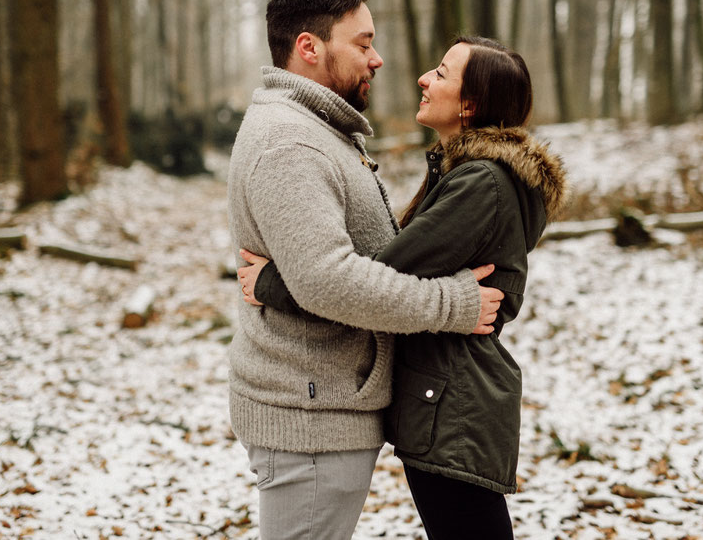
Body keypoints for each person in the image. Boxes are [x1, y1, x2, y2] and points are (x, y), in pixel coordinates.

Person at [239, 36, 568, 539]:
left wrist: (272, 283)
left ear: (469, 104)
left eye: (441, 72)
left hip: (454, 406)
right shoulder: (472, 175)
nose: (423, 78)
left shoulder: (481, 185)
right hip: (448, 398)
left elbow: (374, 280)